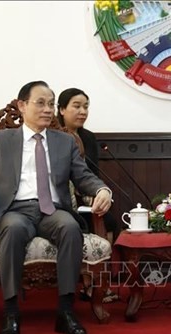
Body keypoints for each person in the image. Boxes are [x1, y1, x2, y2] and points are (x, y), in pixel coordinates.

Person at [0, 81, 113, 334]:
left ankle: (65, 311)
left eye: (50, 104)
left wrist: (102, 191)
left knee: (70, 227)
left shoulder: (64, 141)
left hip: (53, 210)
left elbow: (84, 176)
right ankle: (11, 313)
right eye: (40, 103)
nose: (47, 109)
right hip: (16, 209)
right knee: (14, 229)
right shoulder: (0, 140)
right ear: (22, 106)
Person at [56, 87, 119, 302]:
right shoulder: (51, 135)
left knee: (109, 221)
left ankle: (96, 282)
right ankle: (84, 281)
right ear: (62, 109)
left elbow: (91, 176)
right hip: (58, 203)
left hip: (84, 200)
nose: (82, 111)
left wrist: (95, 195)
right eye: (76, 106)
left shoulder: (88, 138)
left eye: (86, 107)